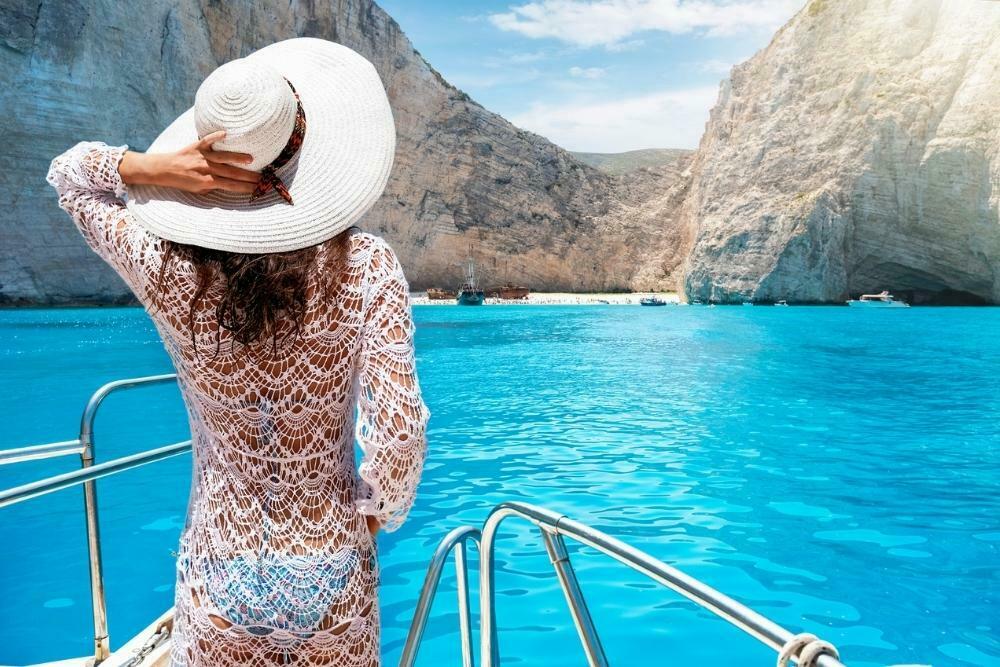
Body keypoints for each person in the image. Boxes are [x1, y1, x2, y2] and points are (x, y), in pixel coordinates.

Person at [46, 38, 429, 666]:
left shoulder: (165, 268)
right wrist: (371, 517)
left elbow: (72, 177)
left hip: (219, 562)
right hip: (330, 559)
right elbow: (399, 433)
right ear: (303, 149)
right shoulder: (365, 266)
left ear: (205, 158)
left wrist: (154, 169)